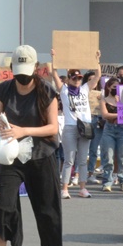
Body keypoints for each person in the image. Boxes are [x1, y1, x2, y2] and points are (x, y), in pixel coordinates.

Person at [0, 45, 65, 246]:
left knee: (48, 209)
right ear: (11, 69)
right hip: (12, 157)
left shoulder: (47, 91)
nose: (22, 77)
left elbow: (53, 128)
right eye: (18, 71)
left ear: (36, 69)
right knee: (2, 206)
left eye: (27, 71)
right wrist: (1, 127)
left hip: (42, 155)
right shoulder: (2, 90)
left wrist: (24, 130)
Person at [49, 52, 101, 199]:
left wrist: (97, 59)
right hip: (71, 127)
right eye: (74, 78)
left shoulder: (85, 89)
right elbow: (54, 74)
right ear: (69, 79)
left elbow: (97, 76)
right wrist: (55, 58)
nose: (77, 80)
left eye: (79, 77)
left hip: (85, 127)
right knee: (69, 160)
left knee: (83, 159)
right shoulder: (64, 90)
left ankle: (82, 188)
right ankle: (64, 188)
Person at [98, 77, 123, 192]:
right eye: (114, 87)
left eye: (118, 87)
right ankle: (107, 181)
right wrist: (120, 115)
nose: (116, 89)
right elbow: (105, 115)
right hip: (109, 130)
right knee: (109, 157)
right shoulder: (104, 100)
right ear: (108, 87)